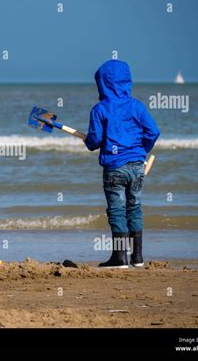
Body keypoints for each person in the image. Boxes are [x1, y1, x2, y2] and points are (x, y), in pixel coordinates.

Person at [85, 60, 160, 268]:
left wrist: (89, 141)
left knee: (117, 210)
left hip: (114, 167)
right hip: (137, 166)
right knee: (134, 207)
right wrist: (141, 151)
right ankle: (137, 258)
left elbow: (94, 141)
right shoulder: (137, 106)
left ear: (102, 83)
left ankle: (119, 258)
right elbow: (153, 132)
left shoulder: (100, 109)